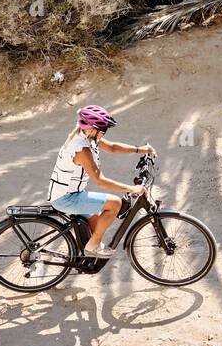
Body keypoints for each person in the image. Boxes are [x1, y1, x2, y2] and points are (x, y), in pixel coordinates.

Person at [47, 105, 154, 260]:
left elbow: (112, 147)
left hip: (71, 193)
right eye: (102, 129)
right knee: (115, 203)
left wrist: (141, 149)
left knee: (96, 223)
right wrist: (131, 188)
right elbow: (100, 180)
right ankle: (91, 247)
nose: (104, 133)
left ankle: (89, 253)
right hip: (66, 198)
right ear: (92, 128)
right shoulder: (81, 149)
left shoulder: (85, 135)